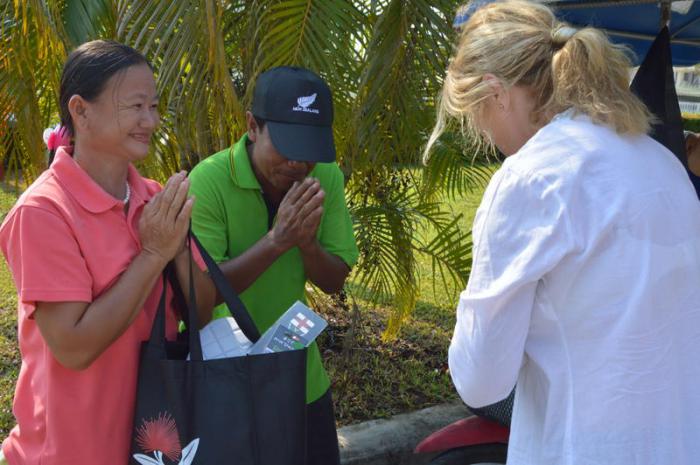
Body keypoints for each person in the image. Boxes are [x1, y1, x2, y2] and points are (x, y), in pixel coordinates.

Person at [424, 2, 700, 464]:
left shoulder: (531, 177)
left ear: (497, 93)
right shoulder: (662, 164)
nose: (484, 134)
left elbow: (480, 378)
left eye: (474, 114)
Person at [0, 40, 216, 465]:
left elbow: (201, 312)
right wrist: (154, 253)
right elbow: (74, 347)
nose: (149, 120)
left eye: (153, 107)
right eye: (135, 106)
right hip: (71, 451)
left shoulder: (153, 198)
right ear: (81, 110)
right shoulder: (44, 212)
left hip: (154, 448)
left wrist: (174, 251)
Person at [188, 66, 358, 465]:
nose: (298, 162)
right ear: (252, 126)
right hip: (223, 384)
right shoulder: (209, 182)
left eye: (310, 148)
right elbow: (200, 293)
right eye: (286, 145)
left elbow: (334, 280)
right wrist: (277, 241)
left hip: (299, 380)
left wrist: (307, 244)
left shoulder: (325, 176)